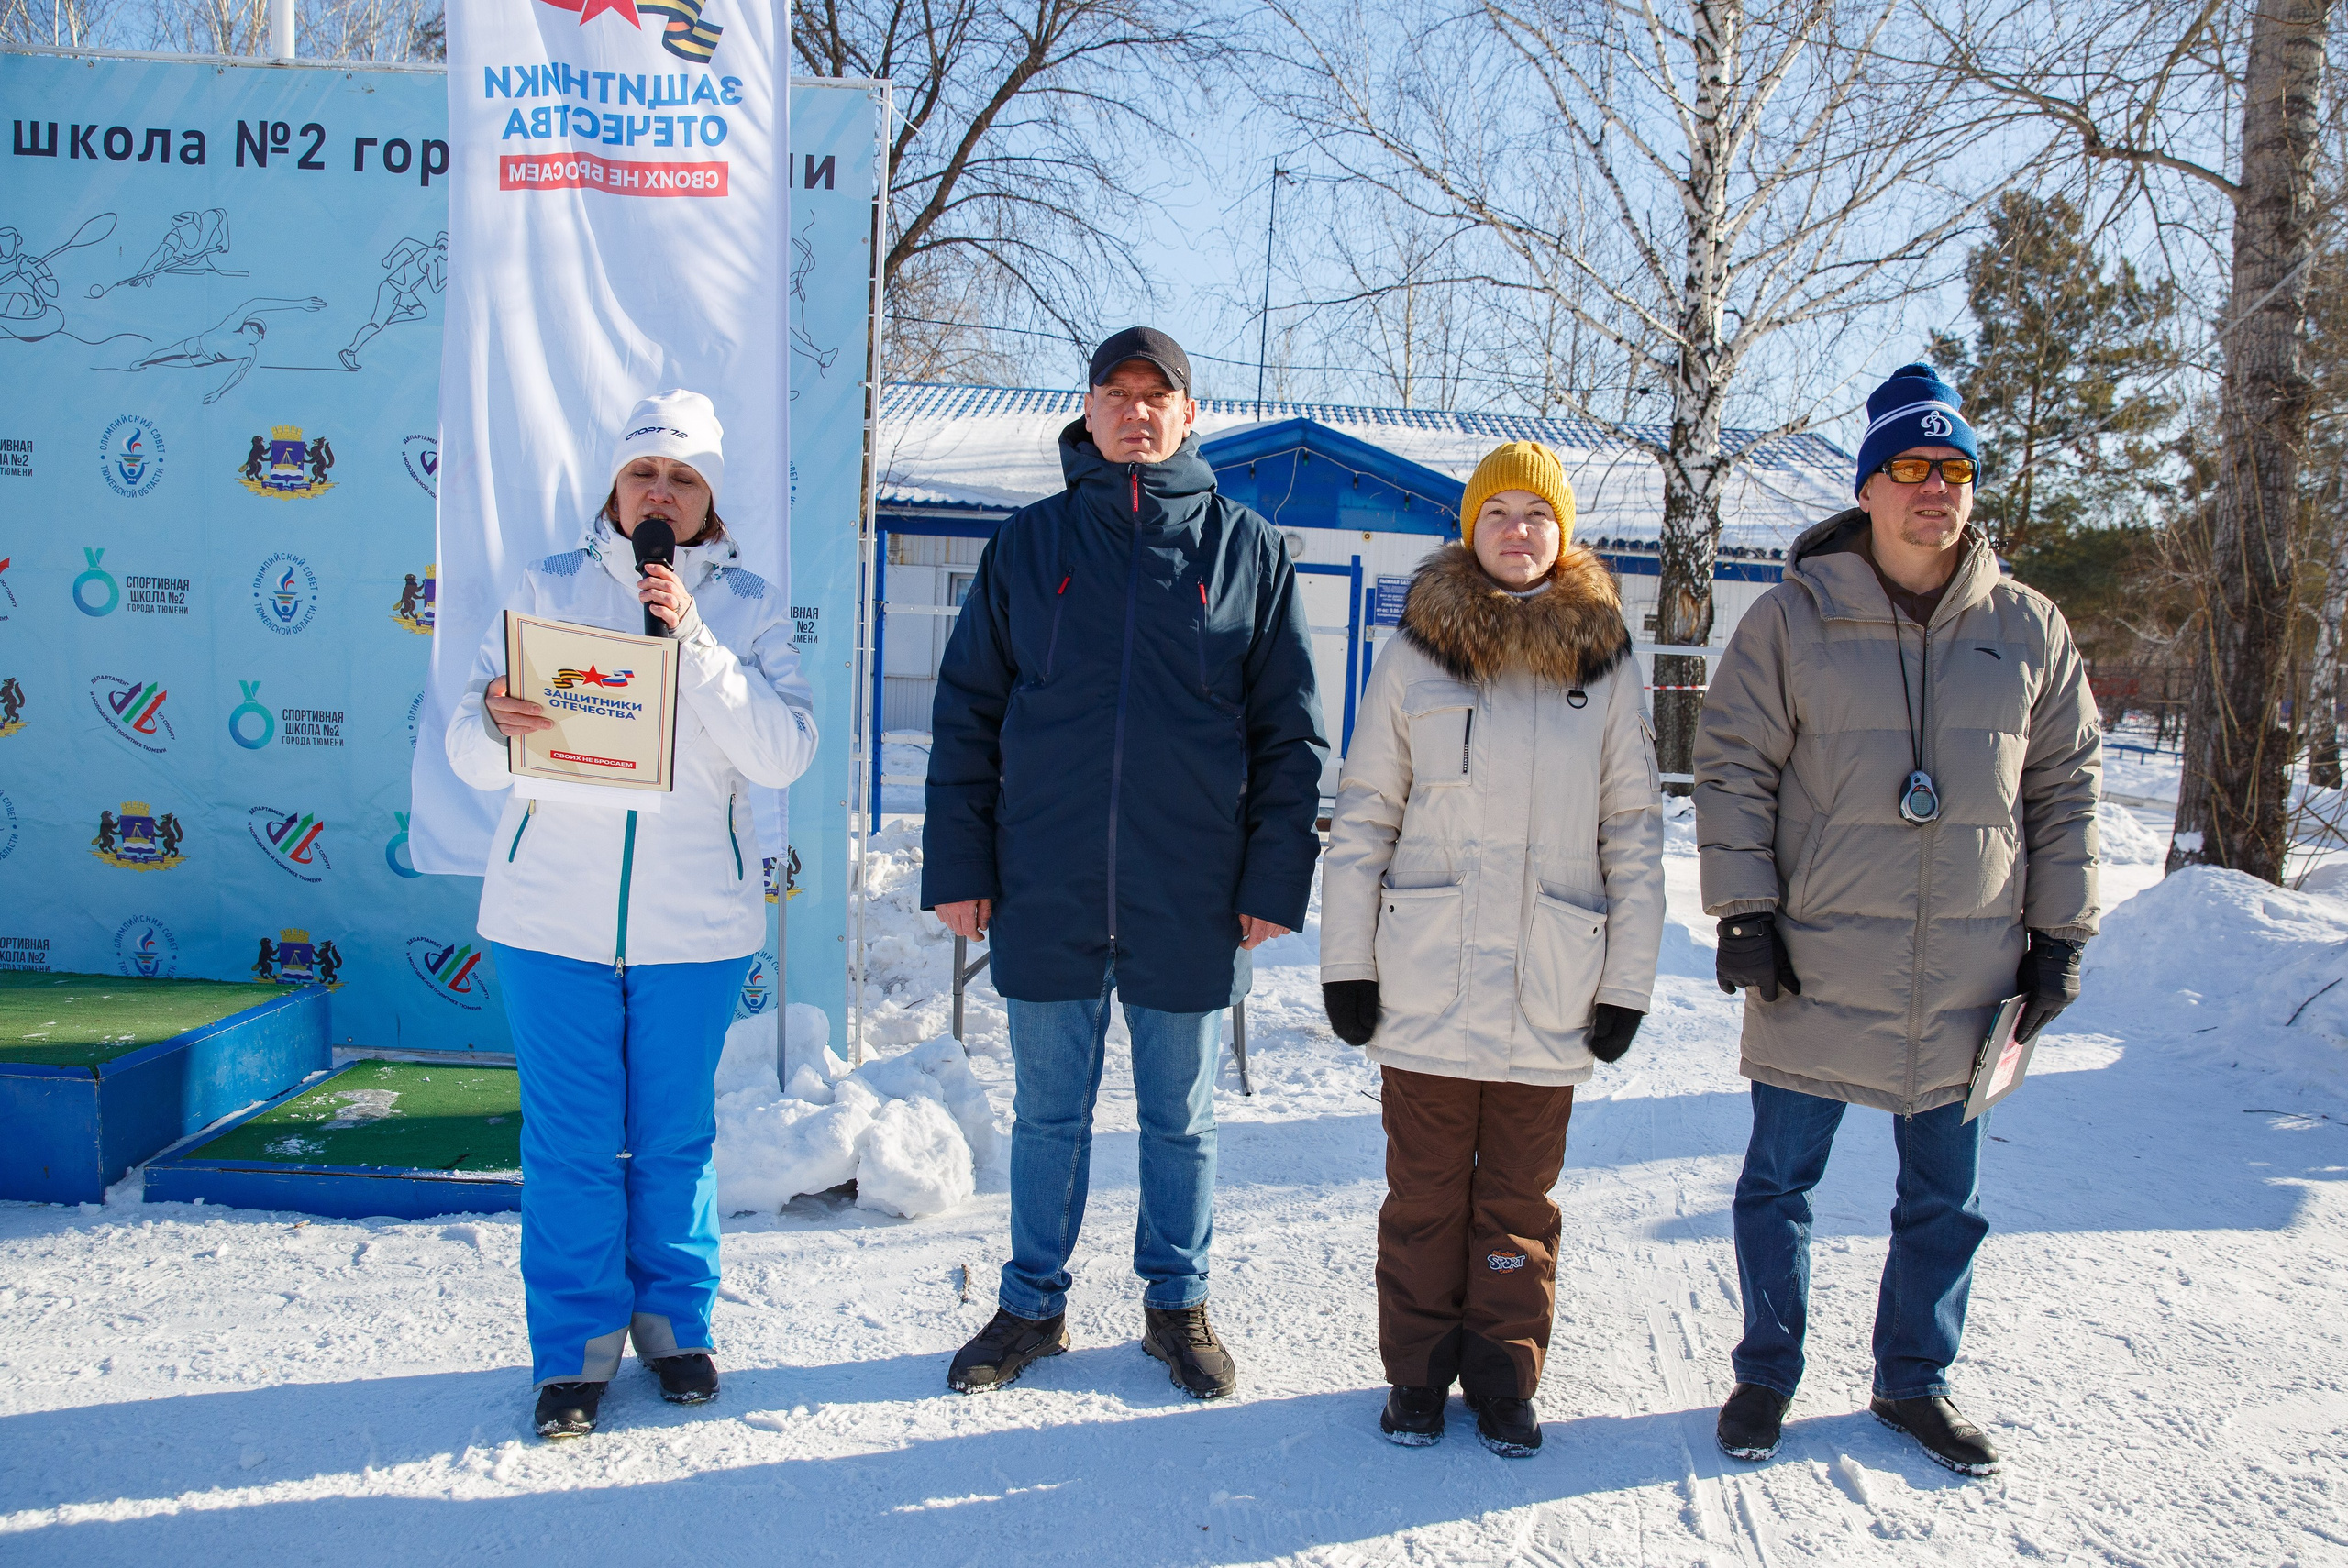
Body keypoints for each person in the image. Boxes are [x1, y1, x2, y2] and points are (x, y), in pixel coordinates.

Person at [1693, 363, 2101, 1477]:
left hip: (1970, 967)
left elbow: (2065, 785)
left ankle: (1912, 1381)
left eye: (1955, 470)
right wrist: (1744, 909)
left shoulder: (2027, 628)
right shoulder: (1793, 617)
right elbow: (1729, 765)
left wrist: (2060, 934)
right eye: (1911, 468)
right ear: (1868, 488)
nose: (1936, 489)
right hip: (1816, 959)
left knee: (1946, 1196)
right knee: (1779, 1182)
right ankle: (1766, 1371)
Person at [923, 327, 1326, 1400]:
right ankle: (1030, 1306)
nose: (1137, 411)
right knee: (1047, 1114)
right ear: (1087, 410)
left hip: (1189, 889)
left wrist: (1270, 880)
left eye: (1159, 395)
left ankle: (1175, 1304)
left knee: (1178, 1117)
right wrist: (961, 866)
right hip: (1046, 879)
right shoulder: (1029, 546)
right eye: (1117, 393)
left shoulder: (1249, 549)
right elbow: (966, 715)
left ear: (1190, 413)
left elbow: (1290, 733)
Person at [446, 390, 818, 1440]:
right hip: (545, 921)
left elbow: (783, 752)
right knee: (568, 1143)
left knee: (672, 1140)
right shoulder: (547, 587)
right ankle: (571, 1355)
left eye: (685, 478)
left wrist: (694, 639)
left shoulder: (746, 605)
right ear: (615, 486)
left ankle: (677, 1329)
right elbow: (468, 755)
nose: (661, 492)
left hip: (692, 929)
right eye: (645, 473)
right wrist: (491, 718)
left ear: (709, 501)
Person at [1320, 441, 1664, 1458]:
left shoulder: (1601, 662)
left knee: (1516, 1203)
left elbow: (1633, 832)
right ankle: (1418, 1379)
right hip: (1425, 980)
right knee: (1425, 1199)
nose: (1518, 531)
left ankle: (1505, 1378)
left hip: (1551, 982)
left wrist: (1628, 985)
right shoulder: (1415, 652)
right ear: (1469, 530)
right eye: (1498, 512)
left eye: (1538, 515)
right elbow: (1364, 817)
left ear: (1564, 538)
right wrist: (1348, 964)